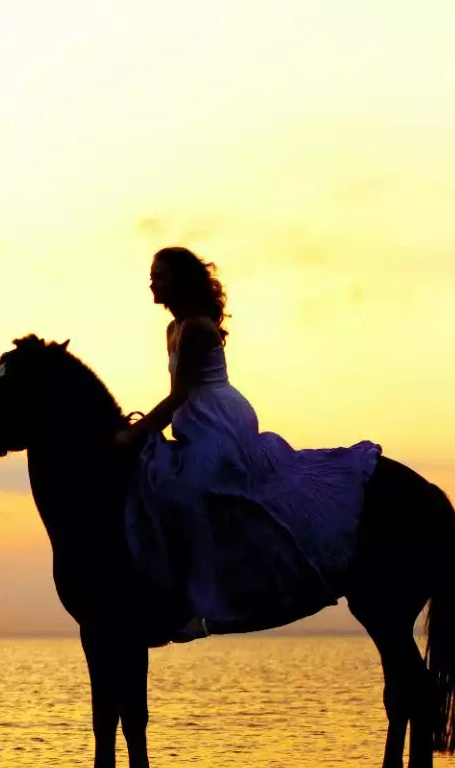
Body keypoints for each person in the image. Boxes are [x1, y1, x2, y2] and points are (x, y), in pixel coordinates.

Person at [114, 247, 380, 640]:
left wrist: (134, 434)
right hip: (194, 420)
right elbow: (177, 395)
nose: (152, 282)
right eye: (152, 275)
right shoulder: (173, 329)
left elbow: (179, 395)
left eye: (161, 276)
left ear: (181, 282)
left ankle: (208, 600)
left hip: (217, 420)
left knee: (189, 489)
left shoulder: (197, 327)